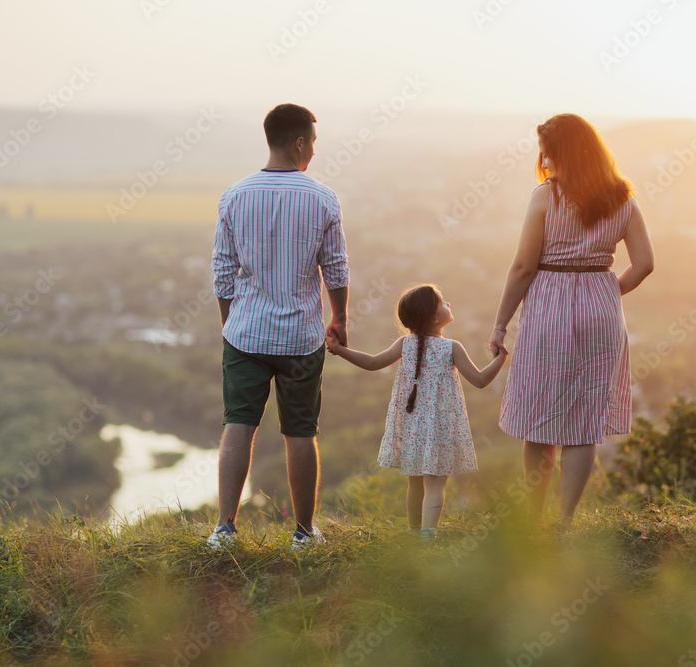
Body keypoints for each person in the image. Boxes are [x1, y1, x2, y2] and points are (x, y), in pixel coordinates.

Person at [490, 113, 654, 526]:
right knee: (583, 423)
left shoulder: (546, 196)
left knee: (539, 416)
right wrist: (606, 291)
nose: (541, 155)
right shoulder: (623, 198)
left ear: (560, 151)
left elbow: (525, 267)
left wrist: (500, 323)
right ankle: (564, 524)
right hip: (601, 306)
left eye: (546, 147)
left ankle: (532, 521)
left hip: (549, 305)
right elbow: (645, 264)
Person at [208, 103, 349, 550]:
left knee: (238, 424)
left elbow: (222, 271)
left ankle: (225, 529)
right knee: (301, 431)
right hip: (301, 337)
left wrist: (231, 323)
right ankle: (304, 534)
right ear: (300, 143)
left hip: (245, 334)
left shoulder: (233, 196)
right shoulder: (323, 198)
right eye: (313, 143)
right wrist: (340, 317)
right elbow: (337, 269)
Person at [326, 284, 508, 541]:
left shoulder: (404, 344)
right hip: (441, 427)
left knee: (415, 482)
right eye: (444, 302)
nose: (449, 304)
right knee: (435, 483)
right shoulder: (452, 347)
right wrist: (500, 359)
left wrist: (341, 350)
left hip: (412, 426)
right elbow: (479, 381)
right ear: (434, 318)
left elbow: (372, 362)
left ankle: (414, 534)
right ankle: (428, 536)